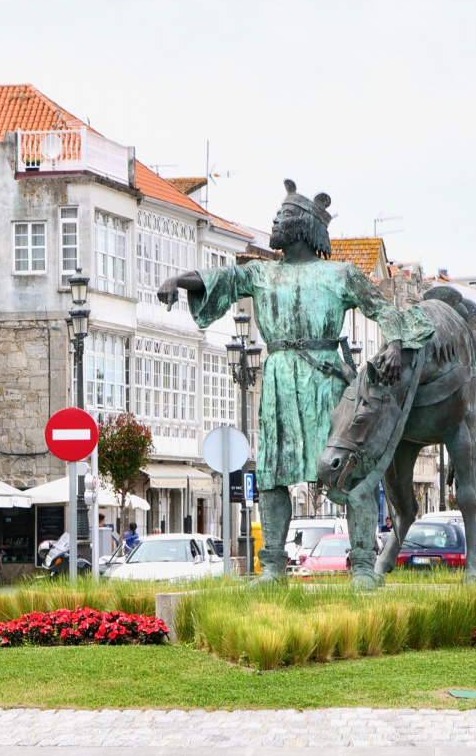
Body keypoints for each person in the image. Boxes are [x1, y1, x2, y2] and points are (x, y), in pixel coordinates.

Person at [160, 180, 433, 584]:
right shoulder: (260, 273)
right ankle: (271, 566)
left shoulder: (341, 274)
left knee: (347, 469)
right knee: (271, 474)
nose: (274, 222)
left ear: (305, 227)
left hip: (325, 380)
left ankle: (361, 565)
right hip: (278, 380)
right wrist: (178, 281)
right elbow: (219, 278)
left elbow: (383, 309)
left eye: (284, 216)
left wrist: (394, 344)